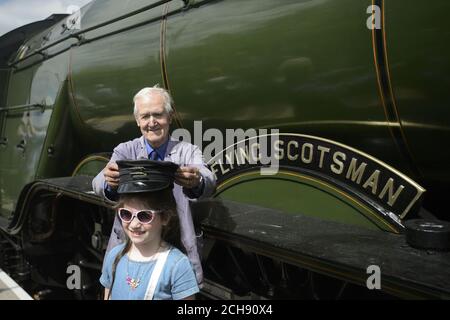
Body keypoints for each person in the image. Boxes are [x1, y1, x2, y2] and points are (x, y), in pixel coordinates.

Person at [92, 85, 216, 287]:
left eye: (158, 114)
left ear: (169, 116)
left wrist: (197, 180)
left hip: (175, 248)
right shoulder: (125, 149)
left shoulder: (186, 150)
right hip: (130, 247)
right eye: (145, 116)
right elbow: (98, 183)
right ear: (137, 120)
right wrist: (109, 181)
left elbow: (208, 178)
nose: (152, 122)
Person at [100, 160, 199, 300]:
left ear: (165, 217)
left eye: (145, 216)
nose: (134, 224)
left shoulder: (177, 266)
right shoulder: (114, 256)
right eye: (126, 214)